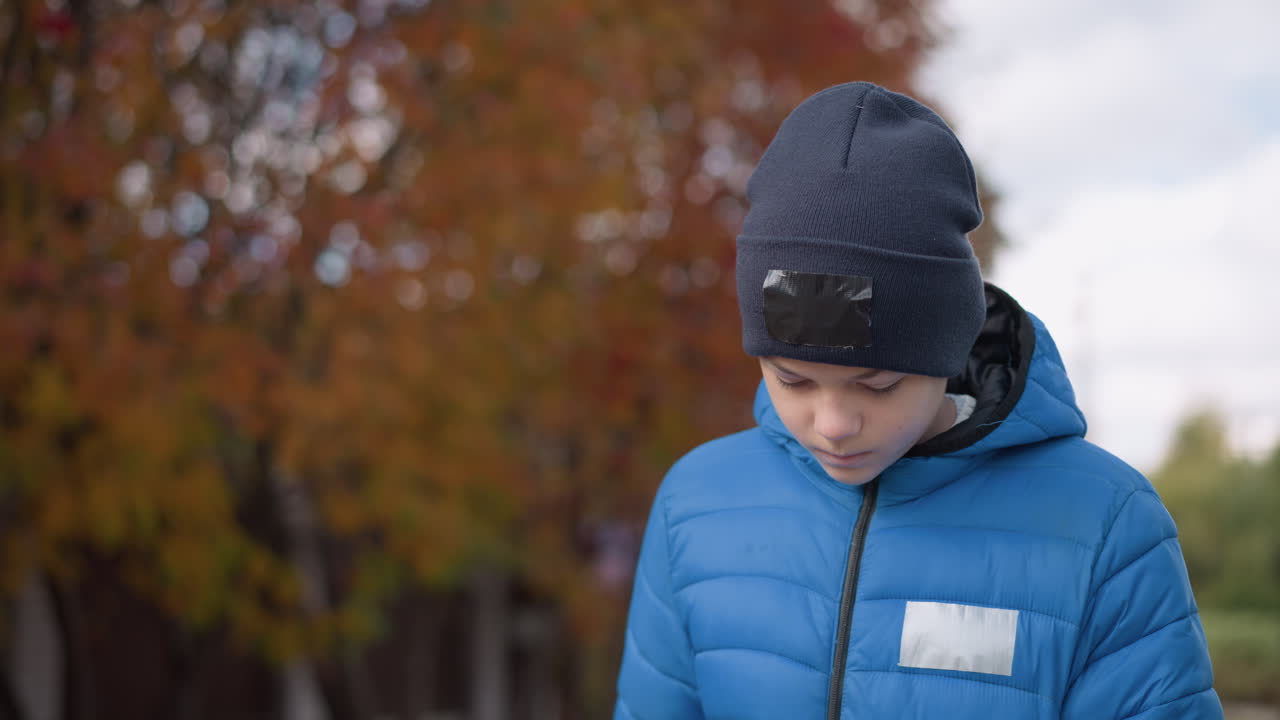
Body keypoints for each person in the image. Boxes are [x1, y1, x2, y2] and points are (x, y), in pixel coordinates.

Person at [612, 82, 1223, 719]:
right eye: (793, 380)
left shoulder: (1105, 524)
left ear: (948, 347)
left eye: (877, 385)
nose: (833, 424)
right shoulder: (695, 504)